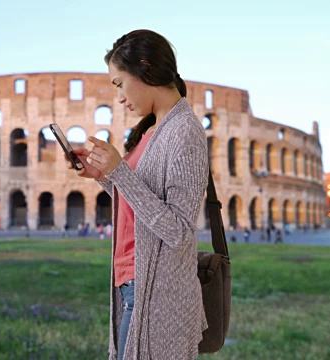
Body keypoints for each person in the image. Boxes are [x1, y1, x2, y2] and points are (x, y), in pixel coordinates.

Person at [66, 30, 208, 359]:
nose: (118, 96)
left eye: (118, 83)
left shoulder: (184, 131)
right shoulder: (154, 129)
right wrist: (103, 177)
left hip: (159, 297)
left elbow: (180, 232)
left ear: (144, 68)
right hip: (134, 285)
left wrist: (119, 172)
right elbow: (140, 203)